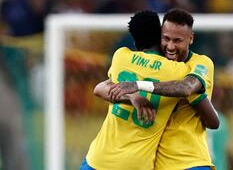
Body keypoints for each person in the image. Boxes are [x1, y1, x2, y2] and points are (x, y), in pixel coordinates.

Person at [81, 10, 217, 170]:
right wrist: (133, 96)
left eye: (177, 40)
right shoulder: (177, 70)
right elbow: (100, 88)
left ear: (191, 38)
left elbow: (187, 89)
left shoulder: (194, 66)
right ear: (158, 35)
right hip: (152, 163)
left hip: (187, 160)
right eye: (166, 38)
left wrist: (137, 86)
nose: (171, 46)